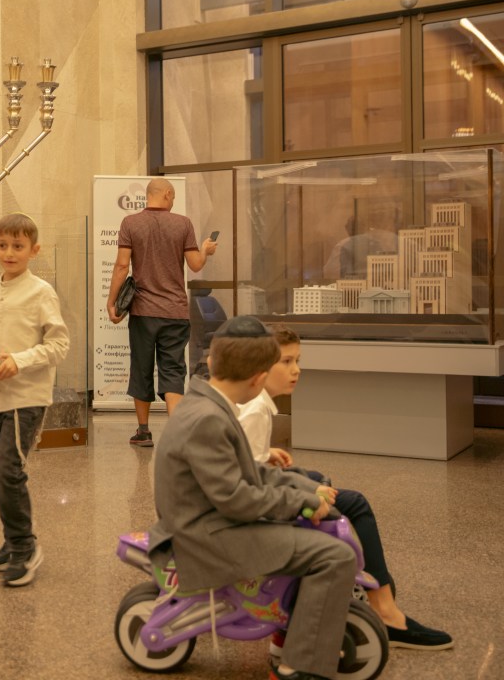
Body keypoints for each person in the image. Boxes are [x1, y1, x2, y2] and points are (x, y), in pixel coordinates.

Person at [147, 315, 355, 680]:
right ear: (259, 378)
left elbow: (247, 471)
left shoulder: (206, 404)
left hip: (210, 522)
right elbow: (238, 498)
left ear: (213, 361)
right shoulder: (209, 419)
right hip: (207, 538)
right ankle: (298, 667)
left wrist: (302, 488)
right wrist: (299, 502)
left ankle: (292, 634)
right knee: (335, 555)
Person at [237, 325, 453, 651]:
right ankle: (385, 608)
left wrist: (268, 457)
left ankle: (383, 598)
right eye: (286, 362)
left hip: (262, 499)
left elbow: (246, 462)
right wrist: (302, 491)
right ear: (261, 367)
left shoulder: (256, 405)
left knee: (324, 481)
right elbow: (250, 485)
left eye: (298, 360)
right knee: (354, 503)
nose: (296, 370)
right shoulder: (257, 411)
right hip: (261, 518)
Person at [0, 213, 70, 587]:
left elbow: (58, 345)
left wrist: (17, 362)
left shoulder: (42, 293)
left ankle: (25, 548)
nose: (9, 252)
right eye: (3, 245)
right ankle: (10, 541)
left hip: (28, 397)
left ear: (33, 250)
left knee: (8, 472)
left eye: (18, 246)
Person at [107, 178, 217, 447]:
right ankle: (177, 435)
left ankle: (143, 431)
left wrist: (112, 302)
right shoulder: (183, 224)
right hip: (175, 312)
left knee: (141, 367)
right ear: (167, 194)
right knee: (173, 370)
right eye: (174, 196)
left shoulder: (130, 223)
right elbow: (195, 265)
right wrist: (205, 250)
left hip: (143, 311)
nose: (174, 200)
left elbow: (122, 267)